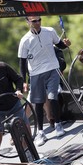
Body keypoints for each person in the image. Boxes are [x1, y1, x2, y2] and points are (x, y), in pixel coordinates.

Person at [18, 15, 71, 146]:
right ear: (28, 22)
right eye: (34, 21)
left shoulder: (50, 31)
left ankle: (58, 125)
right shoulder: (25, 40)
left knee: (53, 98)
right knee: (38, 103)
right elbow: (22, 63)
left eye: (39, 20)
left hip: (53, 69)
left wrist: (66, 44)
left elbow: (60, 45)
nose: (37, 23)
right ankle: (41, 132)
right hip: (35, 74)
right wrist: (24, 81)